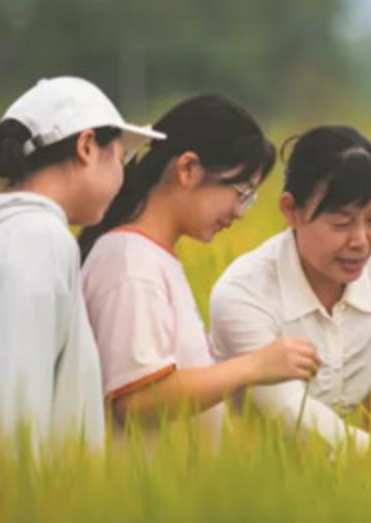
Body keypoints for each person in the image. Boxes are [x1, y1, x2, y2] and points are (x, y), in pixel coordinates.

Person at [0, 76, 164, 465]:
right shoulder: (39, 239)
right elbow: (17, 418)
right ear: (86, 147)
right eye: (119, 158)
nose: (122, 179)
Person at [79, 94, 320, 438]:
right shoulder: (130, 261)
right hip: (145, 489)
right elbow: (137, 401)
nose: (240, 212)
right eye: (241, 192)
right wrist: (255, 366)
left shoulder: (152, 257)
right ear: (188, 169)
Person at [210, 126, 371, 454]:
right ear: (291, 211)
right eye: (341, 224)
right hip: (252, 480)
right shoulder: (243, 293)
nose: (360, 241)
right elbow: (290, 413)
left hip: (347, 479)